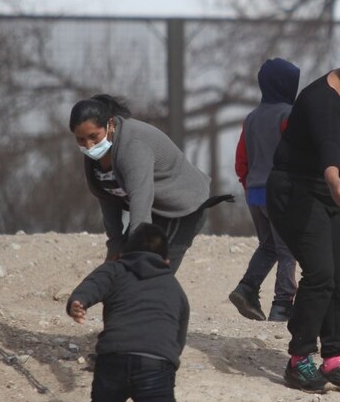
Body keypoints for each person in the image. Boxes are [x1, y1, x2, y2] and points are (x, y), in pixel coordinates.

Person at [266, 0, 340, 395]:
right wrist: (336, 177)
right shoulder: (319, 97)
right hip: (296, 188)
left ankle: (337, 358)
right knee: (320, 273)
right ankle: (299, 358)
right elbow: (330, 148)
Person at [66, 224, 189, 402]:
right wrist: (167, 360)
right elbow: (178, 335)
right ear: (167, 260)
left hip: (115, 358)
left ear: (123, 254)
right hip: (158, 366)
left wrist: (78, 303)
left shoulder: (114, 270)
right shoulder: (173, 286)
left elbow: (88, 289)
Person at [70, 94, 228, 273]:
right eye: (81, 140)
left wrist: (138, 248)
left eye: (93, 137)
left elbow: (141, 197)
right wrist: (115, 244)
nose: (89, 146)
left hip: (182, 208)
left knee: (151, 273)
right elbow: (107, 197)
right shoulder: (94, 157)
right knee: (126, 271)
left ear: (110, 125)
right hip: (154, 209)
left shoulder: (132, 147)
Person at [229, 59, 301, 322]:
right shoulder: (289, 115)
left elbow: (241, 161)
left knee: (268, 246)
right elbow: (297, 154)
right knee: (287, 250)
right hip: (280, 193)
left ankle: (247, 287)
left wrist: (249, 185)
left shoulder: (251, 118)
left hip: (254, 192)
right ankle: (282, 305)